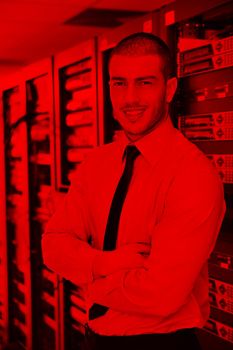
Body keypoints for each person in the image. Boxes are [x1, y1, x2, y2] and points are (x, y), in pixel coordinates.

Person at [42, 32, 226, 350]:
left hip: (161, 344)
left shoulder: (192, 174)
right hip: (95, 338)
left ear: (169, 89)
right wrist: (106, 263)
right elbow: (53, 246)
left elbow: (161, 295)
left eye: (144, 83)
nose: (129, 99)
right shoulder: (96, 164)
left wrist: (86, 274)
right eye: (119, 83)